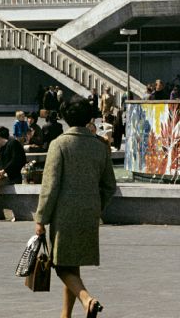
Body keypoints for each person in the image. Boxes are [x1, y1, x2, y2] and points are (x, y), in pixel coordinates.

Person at [33, 97, 116, 318]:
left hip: (64, 213)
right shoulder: (100, 146)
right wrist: (96, 206)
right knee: (73, 264)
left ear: (66, 118)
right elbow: (109, 185)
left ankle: (87, 300)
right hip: (89, 212)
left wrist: (41, 218)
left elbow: (50, 185)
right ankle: (65, 315)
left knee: (60, 265)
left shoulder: (59, 144)